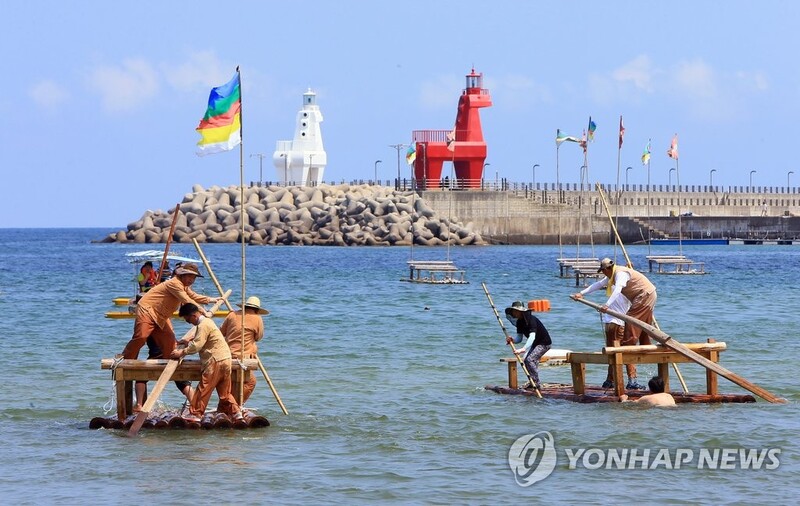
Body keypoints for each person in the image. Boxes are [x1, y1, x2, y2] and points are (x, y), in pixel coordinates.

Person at [571, 257, 657, 390]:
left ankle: (616, 379)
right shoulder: (613, 278)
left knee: (631, 328)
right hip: (615, 322)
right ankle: (620, 379)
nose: (603, 274)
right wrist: (581, 293)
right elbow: (598, 284)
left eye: (603, 271)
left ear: (608, 269)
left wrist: (606, 304)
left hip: (642, 297)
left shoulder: (621, 276)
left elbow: (617, 290)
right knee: (623, 344)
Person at [120, 263, 222, 360]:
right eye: (189, 277)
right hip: (147, 310)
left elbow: (193, 296)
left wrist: (211, 299)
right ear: (183, 275)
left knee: (170, 342)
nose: (191, 280)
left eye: (194, 278)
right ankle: (124, 359)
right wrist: (203, 311)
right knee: (141, 337)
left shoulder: (184, 286)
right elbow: (186, 300)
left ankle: (169, 363)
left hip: (161, 315)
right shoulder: (174, 283)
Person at [170, 303, 242, 422]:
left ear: (193, 316)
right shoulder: (208, 322)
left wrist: (181, 352)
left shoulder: (203, 325)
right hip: (225, 358)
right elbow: (203, 339)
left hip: (215, 360)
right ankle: (236, 412)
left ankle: (196, 414)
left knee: (204, 388)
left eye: (188, 319)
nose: (189, 322)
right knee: (224, 392)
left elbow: (197, 346)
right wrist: (189, 341)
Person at [220, 296, 269, 405]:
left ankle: (230, 405)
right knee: (251, 382)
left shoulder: (232, 315)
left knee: (233, 383)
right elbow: (258, 337)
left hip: (227, 354)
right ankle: (235, 405)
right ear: (257, 310)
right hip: (243, 357)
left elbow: (222, 332)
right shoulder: (257, 319)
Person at [133, 336, 195, 413]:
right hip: (171, 356)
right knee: (182, 382)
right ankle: (195, 406)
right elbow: (168, 338)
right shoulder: (166, 329)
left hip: (156, 357)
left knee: (141, 378)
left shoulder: (151, 329)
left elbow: (140, 338)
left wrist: (129, 355)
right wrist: (178, 343)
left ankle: (139, 405)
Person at [504, 300, 552, 391]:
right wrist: (512, 340)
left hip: (544, 343)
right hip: (536, 344)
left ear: (522, 311)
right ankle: (532, 382)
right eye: (513, 311)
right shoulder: (519, 322)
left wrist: (523, 348)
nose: (515, 313)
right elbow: (519, 338)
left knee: (529, 360)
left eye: (516, 311)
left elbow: (532, 336)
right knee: (531, 361)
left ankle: (536, 383)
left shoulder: (531, 320)